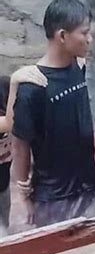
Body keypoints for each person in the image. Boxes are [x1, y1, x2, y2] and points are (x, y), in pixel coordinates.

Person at [9, 0, 95, 230]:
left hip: (92, 188)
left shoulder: (78, 64)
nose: (90, 39)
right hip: (55, 200)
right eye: (84, 33)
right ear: (62, 36)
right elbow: (20, 146)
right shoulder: (32, 87)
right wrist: (22, 197)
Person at [0, 69, 47, 229]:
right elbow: (9, 123)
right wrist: (15, 83)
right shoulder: (10, 86)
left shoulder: (3, 86)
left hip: (3, 183)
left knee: (4, 228)